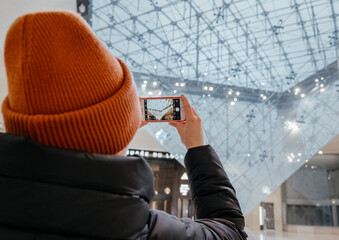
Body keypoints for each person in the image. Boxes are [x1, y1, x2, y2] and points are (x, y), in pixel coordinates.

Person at [0, 11, 247, 240]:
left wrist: (117, 122)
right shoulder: (136, 227)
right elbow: (230, 231)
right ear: (113, 130)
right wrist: (197, 147)